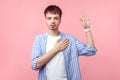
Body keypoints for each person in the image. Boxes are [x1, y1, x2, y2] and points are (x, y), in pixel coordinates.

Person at [31, 5, 97, 80]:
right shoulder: (39, 40)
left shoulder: (70, 40)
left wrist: (87, 29)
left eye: (56, 18)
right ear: (45, 19)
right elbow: (35, 65)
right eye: (49, 18)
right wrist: (56, 49)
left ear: (60, 20)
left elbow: (91, 51)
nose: (52, 21)